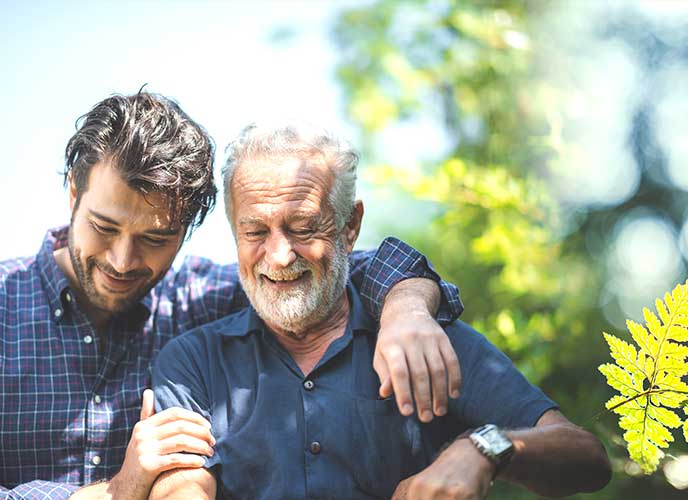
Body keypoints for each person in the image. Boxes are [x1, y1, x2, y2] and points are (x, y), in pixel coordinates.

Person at [0, 92, 465, 499]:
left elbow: (335, 264)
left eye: (154, 239)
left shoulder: (207, 297)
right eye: (103, 226)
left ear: (189, 230)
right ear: (72, 193)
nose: (123, 260)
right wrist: (112, 494)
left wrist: (406, 306)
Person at [151, 122, 612, 499]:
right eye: (254, 232)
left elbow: (586, 459)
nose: (279, 255)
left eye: (304, 227)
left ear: (350, 227)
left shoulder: (425, 340)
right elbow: (182, 486)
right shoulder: (193, 361)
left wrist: (482, 449)